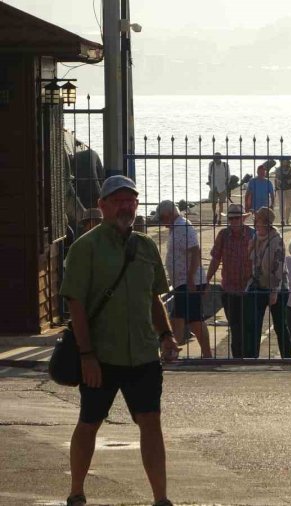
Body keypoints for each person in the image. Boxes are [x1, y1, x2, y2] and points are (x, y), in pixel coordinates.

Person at [60, 175, 178, 506]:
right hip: (102, 355)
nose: (126, 206)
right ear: (103, 206)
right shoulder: (86, 248)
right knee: (89, 422)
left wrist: (166, 335)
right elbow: (76, 305)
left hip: (142, 353)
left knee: (151, 423)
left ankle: (161, 499)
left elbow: (154, 298)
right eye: (118, 200)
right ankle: (76, 492)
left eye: (131, 200)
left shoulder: (146, 246)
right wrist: (86, 355)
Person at [156, 199, 212, 359]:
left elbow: (195, 251)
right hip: (183, 282)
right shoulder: (177, 227)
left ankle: (173, 354)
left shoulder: (182, 227)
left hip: (188, 282)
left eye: (161, 219)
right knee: (180, 319)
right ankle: (172, 352)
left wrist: (190, 278)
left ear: (168, 214)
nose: (161, 223)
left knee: (191, 320)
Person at [206, 203, 255, 358]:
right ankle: (238, 358)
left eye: (237, 218)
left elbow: (259, 260)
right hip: (228, 288)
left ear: (243, 219)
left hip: (249, 288)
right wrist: (206, 280)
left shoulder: (252, 235)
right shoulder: (223, 235)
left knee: (248, 325)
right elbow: (215, 259)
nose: (234, 221)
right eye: (231, 218)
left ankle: (249, 356)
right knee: (234, 326)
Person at [245, 207, 289, 359]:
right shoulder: (256, 238)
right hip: (258, 284)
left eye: (259, 222)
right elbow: (252, 261)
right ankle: (252, 358)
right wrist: (250, 248)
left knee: (280, 325)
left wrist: (274, 291)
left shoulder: (277, 240)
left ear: (267, 224)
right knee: (253, 325)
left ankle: (287, 358)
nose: (256, 225)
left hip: (276, 286)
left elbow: (278, 266)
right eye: (256, 222)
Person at [208, 152, 231, 225]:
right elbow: (209, 175)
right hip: (213, 186)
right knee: (213, 203)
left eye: (216, 157)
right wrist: (210, 184)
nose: (215, 159)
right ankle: (214, 214)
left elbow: (228, 175)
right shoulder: (211, 164)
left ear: (220, 158)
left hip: (222, 186)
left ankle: (220, 219)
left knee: (221, 203)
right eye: (214, 157)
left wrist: (227, 184)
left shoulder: (225, 165)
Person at [274, 158, 291, 225]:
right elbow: (276, 179)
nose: (284, 161)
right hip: (280, 188)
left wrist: (289, 181)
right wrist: (277, 183)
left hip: (289, 188)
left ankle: (287, 219)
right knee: (281, 204)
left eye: (285, 160)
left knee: (289, 205)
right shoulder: (277, 169)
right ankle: (282, 220)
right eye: (282, 160)